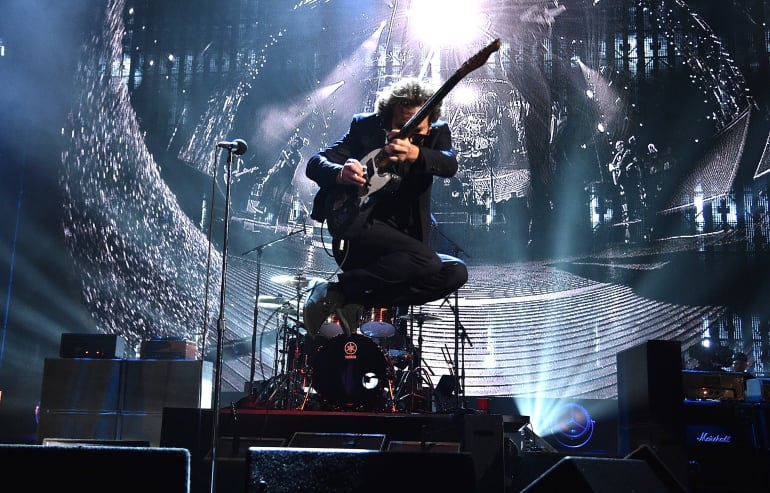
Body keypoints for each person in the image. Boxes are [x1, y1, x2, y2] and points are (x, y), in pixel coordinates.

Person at [303, 77, 469, 339]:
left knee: (455, 271)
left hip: (404, 246)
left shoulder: (437, 133)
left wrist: (415, 154)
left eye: (417, 129)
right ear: (386, 116)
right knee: (425, 260)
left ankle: (348, 297)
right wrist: (340, 173)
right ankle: (337, 291)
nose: (407, 134)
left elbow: (449, 164)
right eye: (400, 125)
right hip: (357, 230)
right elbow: (315, 162)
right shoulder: (365, 126)